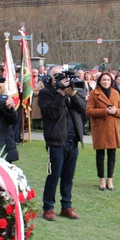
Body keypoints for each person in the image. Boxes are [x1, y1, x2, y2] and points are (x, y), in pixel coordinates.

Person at [38, 66, 86, 220]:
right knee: (54, 175)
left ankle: (66, 206)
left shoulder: (71, 92)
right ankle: (48, 207)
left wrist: (72, 94)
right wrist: (60, 94)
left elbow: (83, 108)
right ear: (49, 78)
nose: (62, 79)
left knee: (68, 176)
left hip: (72, 140)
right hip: (56, 141)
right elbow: (53, 113)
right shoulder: (46, 93)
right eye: (57, 76)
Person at [87, 72, 120, 191]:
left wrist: (115, 111)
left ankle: (110, 179)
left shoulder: (115, 93)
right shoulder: (94, 93)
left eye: (108, 80)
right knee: (100, 155)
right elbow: (89, 111)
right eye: (104, 80)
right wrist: (105, 111)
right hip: (100, 127)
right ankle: (102, 178)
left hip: (112, 127)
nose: (106, 82)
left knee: (112, 154)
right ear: (99, 81)